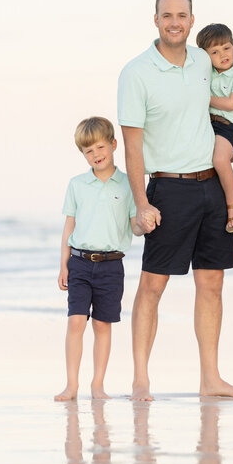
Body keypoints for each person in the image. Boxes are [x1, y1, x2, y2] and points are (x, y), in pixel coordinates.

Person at [117, 0, 233, 402]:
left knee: (212, 284)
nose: (174, 22)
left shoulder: (201, 61)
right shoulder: (136, 73)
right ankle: (141, 378)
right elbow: (132, 146)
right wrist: (141, 203)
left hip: (212, 183)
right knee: (153, 285)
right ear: (155, 20)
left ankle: (211, 379)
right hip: (168, 188)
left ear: (192, 20)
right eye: (166, 15)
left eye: (182, 15)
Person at [55, 117, 142, 402]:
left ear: (114, 145)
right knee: (76, 321)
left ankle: (98, 385)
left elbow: (135, 224)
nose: (96, 155)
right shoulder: (77, 184)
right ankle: (71, 385)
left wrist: (148, 220)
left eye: (100, 147)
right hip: (79, 262)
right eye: (88, 151)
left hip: (112, 265)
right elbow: (69, 227)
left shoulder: (129, 184)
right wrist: (63, 265)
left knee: (103, 324)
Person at [195, 23, 233, 233]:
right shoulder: (206, 73)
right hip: (208, 124)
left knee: (219, 159)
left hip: (228, 127)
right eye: (214, 52)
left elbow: (232, 103)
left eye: (226, 48)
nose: (222, 55)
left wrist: (203, 98)